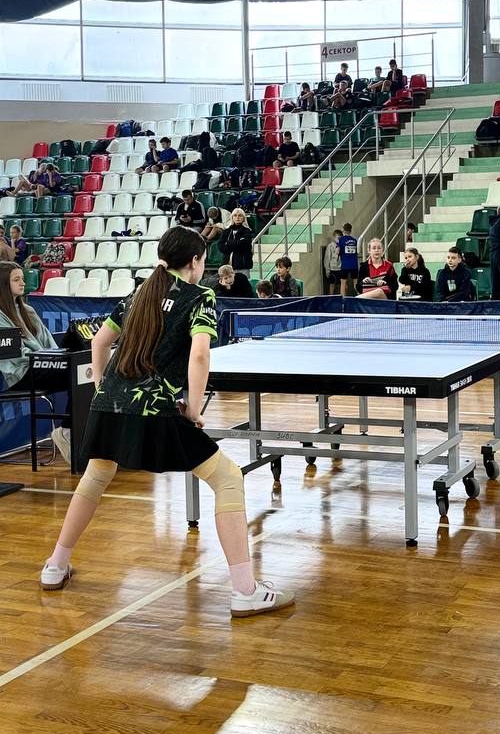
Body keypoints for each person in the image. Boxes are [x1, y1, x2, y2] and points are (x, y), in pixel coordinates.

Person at [38, 228, 293, 616]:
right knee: (227, 478)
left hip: (109, 406)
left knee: (96, 476)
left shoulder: (139, 292)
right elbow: (200, 355)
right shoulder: (199, 296)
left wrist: (106, 388)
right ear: (194, 261)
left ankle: (56, 566)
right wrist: (194, 408)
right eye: (203, 260)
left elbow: (98, 343)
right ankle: (245, 590)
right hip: (155, 407)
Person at [0, 262, 71, 463]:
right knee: (74, 373)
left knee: (81, 372)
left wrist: (57, 358)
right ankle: (67, 431)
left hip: (42, 365)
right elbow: (17, 355)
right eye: (16, 279)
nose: (23, 283)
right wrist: (46, 358)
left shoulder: (28, 310)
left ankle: (72, 432)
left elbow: (49, 343)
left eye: (22, 278)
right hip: (20, 374)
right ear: (3, 284)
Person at [219, 207, 254, 277]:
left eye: (240, 215)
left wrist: (229, 243)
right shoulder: (226, 231)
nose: (237, 217)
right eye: (235, 215)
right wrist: (238, 243)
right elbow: (221, 246)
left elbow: (245, 246)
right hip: (227, 265)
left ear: (243, 218)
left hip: (243, 265)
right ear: (232, 217)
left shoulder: (247, 231)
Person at [338, 222, 359, 297]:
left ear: (343, 230)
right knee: (356, 282)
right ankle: (359, 297)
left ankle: (343, 299)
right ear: (350, 230)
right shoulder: (355, 240)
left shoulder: (341, 239)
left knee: (343, 283)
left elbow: (337, 251)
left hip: (345, 265)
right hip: (354, 264)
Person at [323, 229, 342, 295]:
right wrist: (327, 270)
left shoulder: (342, 245)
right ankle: (330, 298)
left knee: (342, 285)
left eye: (340, 238)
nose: (338, 239)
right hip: (333, 269)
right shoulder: (330, 246)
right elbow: (327, 258)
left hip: (341, 268)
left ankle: (341, 298)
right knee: (332, 285)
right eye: (337, 238)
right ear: (334, 237)